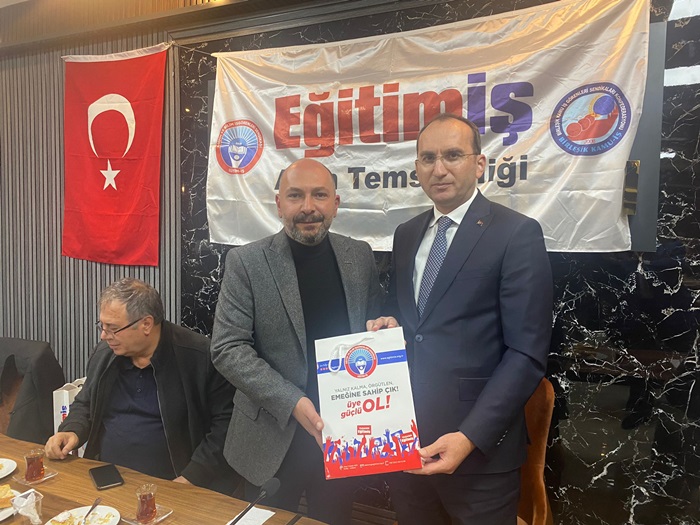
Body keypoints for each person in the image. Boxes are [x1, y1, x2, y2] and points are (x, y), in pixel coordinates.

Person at [367, 114, 553, 525]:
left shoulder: (516, 233)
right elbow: (416, 322)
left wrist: (469, 437)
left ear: (479, 164)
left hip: (480, 455)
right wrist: (390, 326)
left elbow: (526, 354)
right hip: (408, 444)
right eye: (427, 158)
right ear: (416, 166)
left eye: (452, 155)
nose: (439, 169)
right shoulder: (406, 233)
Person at [211, 158, 383, 525]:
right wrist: (293, 402)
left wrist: (383, 328)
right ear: (278, 204)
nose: (308, 207)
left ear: (335, 203)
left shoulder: (359, 255)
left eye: (319, 195)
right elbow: (227, 348)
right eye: (295, 196)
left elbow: (371, 327)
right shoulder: (246, 262)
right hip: (270, 436)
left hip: (342, 433)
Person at [45, 278, 238, 495]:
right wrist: (71, 430)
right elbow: (86, 402)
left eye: (113, 328)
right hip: (107, 478)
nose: (104, 336)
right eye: (102, 326)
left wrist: (192, 477)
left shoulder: (199, 357)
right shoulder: (106, 354)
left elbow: (226, 426)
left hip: (174, 484)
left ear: (146, 324)